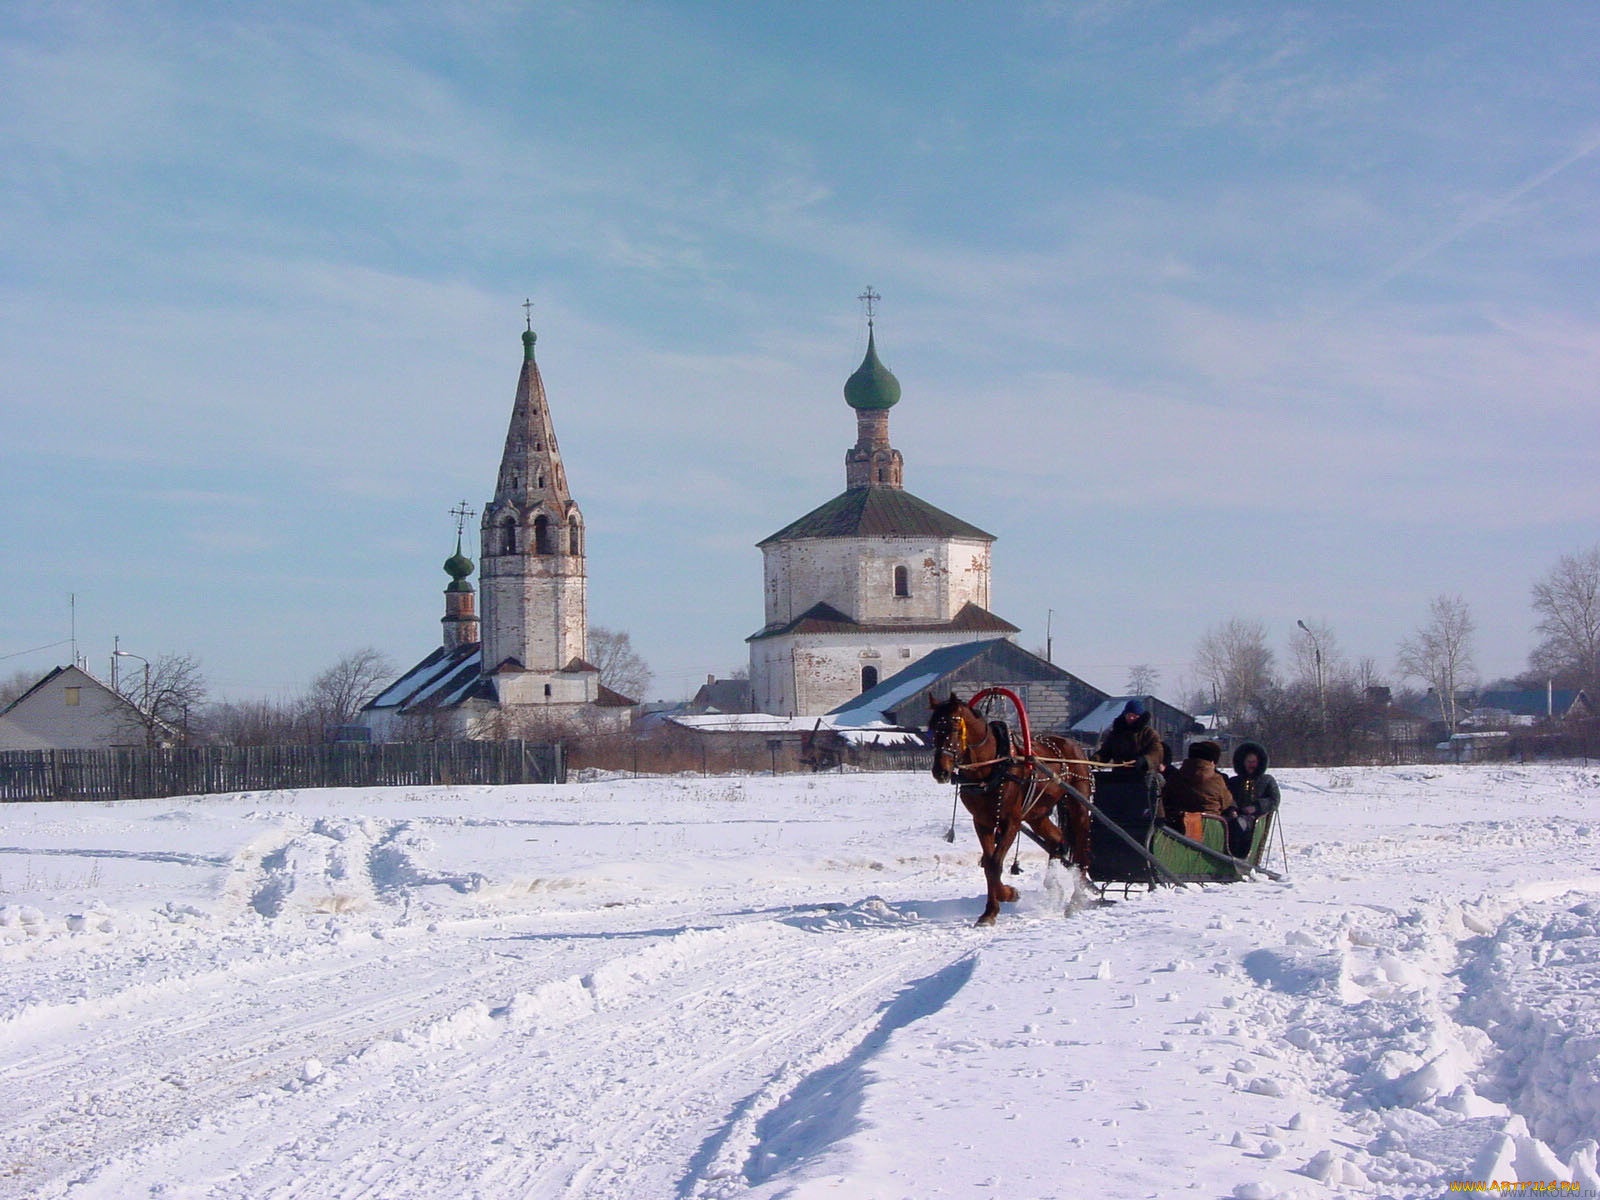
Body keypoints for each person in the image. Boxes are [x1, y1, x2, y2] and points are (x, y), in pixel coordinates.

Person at [1224, 741, 1281, 858]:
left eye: (1254, 762)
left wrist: (1256, 807)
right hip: (1235, 817)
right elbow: (1227, 797)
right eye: (1248, 762)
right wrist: (1232, 809)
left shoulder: (1267, 780)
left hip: (1255, 819)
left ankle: (1240, 858)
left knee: (1239, 826)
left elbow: (1274, 799)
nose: (1251, 765)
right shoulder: (1234, 781)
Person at [1163, 740, 1231, 834]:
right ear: (1212, 761)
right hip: (1209, 830)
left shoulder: (1175, 777)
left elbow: (1166, 798)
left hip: (1179, 830)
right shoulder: (1217, 780)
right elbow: (1226, 802)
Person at [1094, 699, 1165, 775]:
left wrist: (1145, 760)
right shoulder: (1116, 733)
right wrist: (1094, 761)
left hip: (1143, 776)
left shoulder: (1149, 734)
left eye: (1134, 716)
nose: (1131, 718)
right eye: (1129, 715)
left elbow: (1157, 753)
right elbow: (1105, 752)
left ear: (1140, 716)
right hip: (1119, 776)